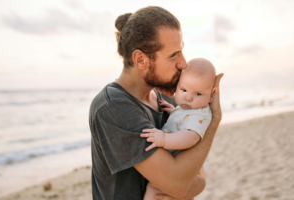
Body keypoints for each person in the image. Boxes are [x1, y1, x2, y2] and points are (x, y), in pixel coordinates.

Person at [89, 6, 223, 200]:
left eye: (181, 51)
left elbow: (196, 172)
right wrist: (214, 119)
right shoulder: (113, 107)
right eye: (173, 55)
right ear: (141, 59)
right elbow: (179, 184)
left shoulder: (170, 99)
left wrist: (196, 183)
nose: (184, 63)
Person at [141, 58, 216, 199]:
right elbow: (183, 119)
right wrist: (174, 111)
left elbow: (190, 137)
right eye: (183, 90)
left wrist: (164, 139)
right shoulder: (189, 108)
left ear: (212, 95)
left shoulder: (201, 114)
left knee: (153, 191)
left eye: (198, 93)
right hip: (173, 166)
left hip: (176, 166)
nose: (188, 98)